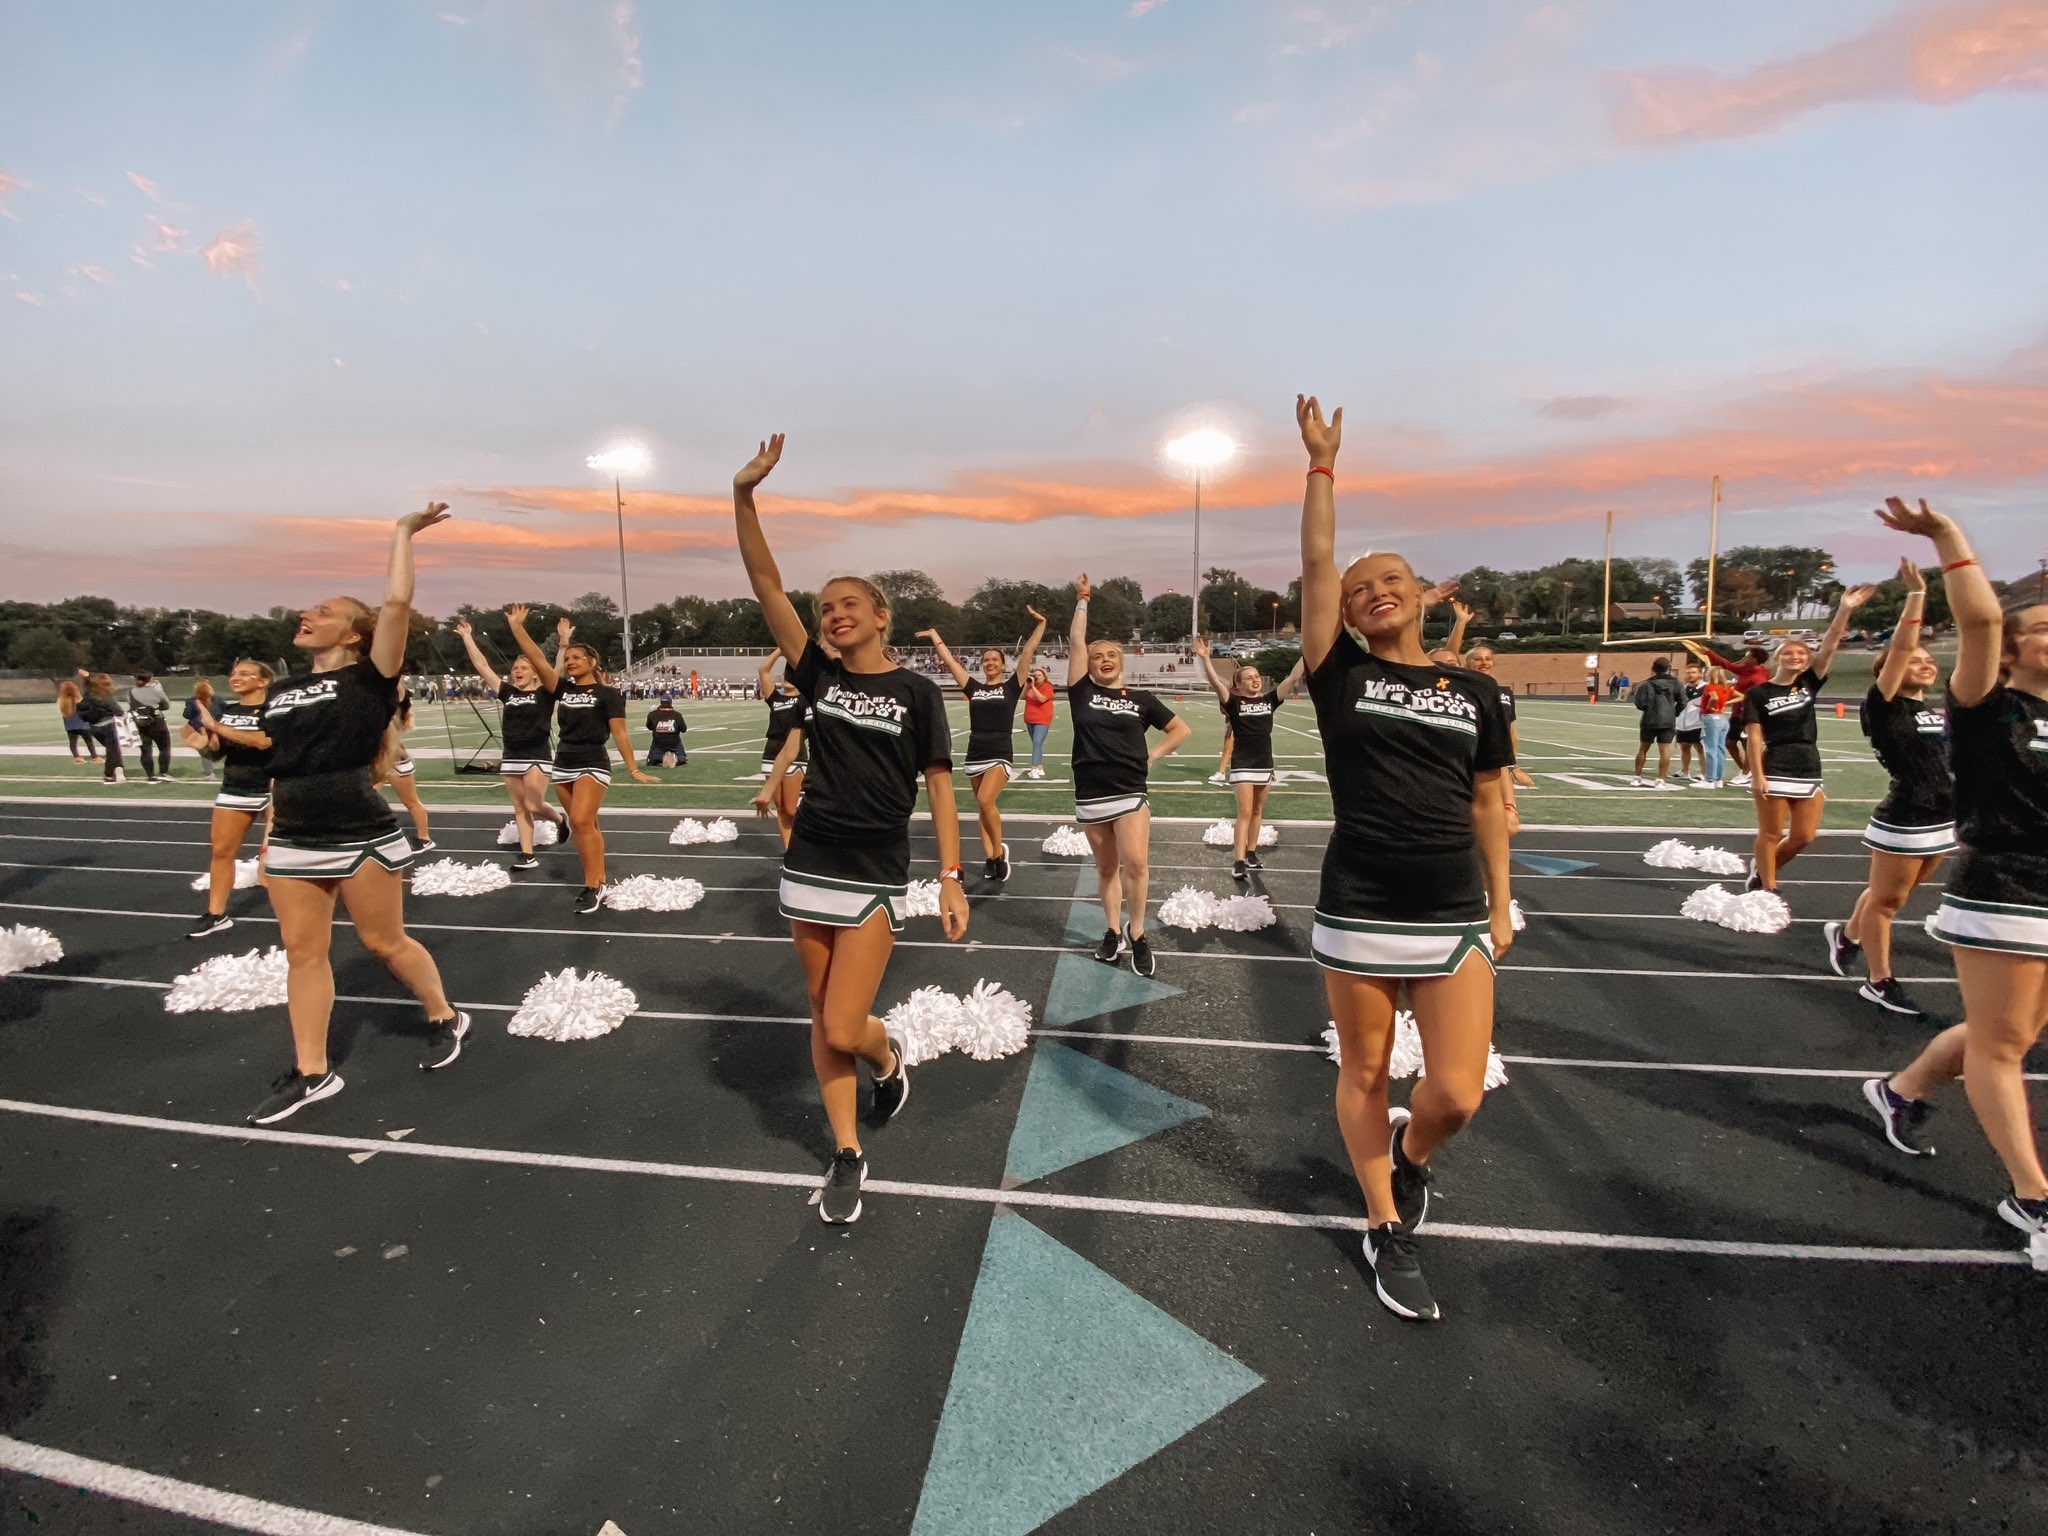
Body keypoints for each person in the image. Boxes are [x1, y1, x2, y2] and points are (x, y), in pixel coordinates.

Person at [1295, 394, 1516, 1324]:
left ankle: (1412, 1157)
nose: (1372, 590)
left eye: (1391, 579)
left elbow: (1489, 801)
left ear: (1424, 594)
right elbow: (1313, 562)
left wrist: (1502, 902)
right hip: (1361, 899)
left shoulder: (1474, 690)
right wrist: (1321, 468)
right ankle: (1384, 1222)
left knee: (1456, 1093)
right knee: (1366, 1071)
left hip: (1453, 903)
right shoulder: (1339, 672)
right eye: (1358, 587)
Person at [733, 433, 968, 1224]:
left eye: (847, 605)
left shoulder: (917, 691)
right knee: (816, 1007)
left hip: (874, 869)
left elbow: (939, 786)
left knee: (844, 1020)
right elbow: (764, 579)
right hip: (810, 861)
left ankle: (889, 1054)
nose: (833, 615)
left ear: (880, 616)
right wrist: (745, 496)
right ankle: (846, 1151)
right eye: (825, 607)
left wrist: (952, 875)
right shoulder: (816, 672)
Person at [207, 506, 471, 1124]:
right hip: (295, 831)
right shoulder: (278, 691)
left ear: (354, 634)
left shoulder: (371, 677)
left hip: (359, 830)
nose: (308, 615)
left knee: (383, 942)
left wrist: (402, 534)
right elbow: (283, 760)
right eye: (309, 609)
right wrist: (271, 833)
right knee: (303, 955)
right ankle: (312, 1072)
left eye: (324, 612)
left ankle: (445, 1013)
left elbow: (398, 605)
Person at [1861, 498, 2048, 1257]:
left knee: (2011, 1032)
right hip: (2005, 885)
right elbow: (1978, 622)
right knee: (2004, 1047)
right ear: (2011, 648)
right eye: (2042, 627)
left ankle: (1898, 1091)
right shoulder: (1987, 706)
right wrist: (1947, 540)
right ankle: (2033, 1199)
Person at [1826, 557, 1954, 1017]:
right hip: (1906, 816)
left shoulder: (1937, 709)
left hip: (1944, 816)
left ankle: (1846, 934)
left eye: (1928, 660)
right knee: (1887, 902)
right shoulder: (1883, 706)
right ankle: (1879, 981)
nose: (1923, 663)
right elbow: (1900, 650)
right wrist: (1916, 596)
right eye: (1912, 660)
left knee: (1893, 895)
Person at [1067, 573, 1191, 978]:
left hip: (1130, 790)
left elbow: (1180, 729)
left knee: (1135, 864)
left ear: (1122, 663)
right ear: (1089, 664)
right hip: (1090, 793)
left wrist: (1152, 756)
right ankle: (1111, 931)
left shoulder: (1141, 699)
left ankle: (1137, 933)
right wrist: (1083, 600)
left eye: (1112, 655)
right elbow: (1075, 643)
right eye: (1098, 655)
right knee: (1105, 870)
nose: (1104, 659)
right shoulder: (1081, 692)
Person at [507, 609, 654, 914]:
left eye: (577, 658)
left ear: (592, 662)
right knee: (586, 824)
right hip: (563, 762)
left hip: (593, 761)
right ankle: (598, 876)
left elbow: (620, 734)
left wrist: (634, 768)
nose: (571, 662)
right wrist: (518, 629)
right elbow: (537, 659)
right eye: (568, 658)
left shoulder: (608, 694)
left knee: (581, 821)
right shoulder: (562, 689)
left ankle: (593, 886)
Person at [1741, 586, 1875, 893]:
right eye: (1788, 652)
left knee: (1804, 836)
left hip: (1808, 764)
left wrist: (1845, 608)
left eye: (1801, 653)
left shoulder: (1808, 685)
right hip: (1776, 763)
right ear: (1777, 658)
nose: (1795, 656)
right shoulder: (1758, 694)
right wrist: (1756, 775)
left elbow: (1828, 646)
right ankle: (1767, 886)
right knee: (1771, 832)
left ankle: (1762, 867)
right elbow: (1754, 737)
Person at [918, 608, 1047, 882]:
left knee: (986, 799)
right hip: (976, 752)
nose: (989, 663)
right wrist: (934, 636)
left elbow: (1027, 652)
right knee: (982, 807)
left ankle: (999, 853)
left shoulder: (1012, 686)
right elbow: (950, 662)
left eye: (994, 659)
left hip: (1000, 753)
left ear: (1002, 664)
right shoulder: (974, 688)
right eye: (985, 659)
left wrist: (1042, 625)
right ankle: (989, 856)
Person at [454, 614, 565, 872]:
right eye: (515, 668)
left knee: (533, 804)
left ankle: (559, 819)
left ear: (536, 673)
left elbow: (557, 670)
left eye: (523, 668)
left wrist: (563, 642)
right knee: (519, 807)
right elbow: (483, 667)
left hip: (537, 753)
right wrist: (468, 638)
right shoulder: (509, 693)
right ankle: (528, 855)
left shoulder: (545, 692)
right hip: (512, 754)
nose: (517, 671)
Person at [1194, 637, 1304, 879]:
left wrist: (1309, 653)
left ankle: (1252, 853)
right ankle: (1239, 860)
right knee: (1244, 812)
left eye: (1256, 676)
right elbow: (1215, 683)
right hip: (1243, 764)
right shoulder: (1234, 702)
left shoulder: (1269, 700)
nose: (1255, 680)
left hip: (1264, 763)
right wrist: (1205, 659)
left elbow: (1293, 678)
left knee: (1257, 811)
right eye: (1248, 678)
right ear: (1239, 684)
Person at [186, 660, 275, 938]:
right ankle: (216, 914)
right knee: (222, 852)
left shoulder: (275, 709)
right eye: (234, 673)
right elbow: (218, 753)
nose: (236, 678)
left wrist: (217, 727)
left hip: (278, 786)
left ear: (263, 681)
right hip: (237, 787)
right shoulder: (228, 711)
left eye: (245, 674)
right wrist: (203, 745)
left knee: (284, 856)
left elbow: (264, 741)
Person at [1461, 644, 1536, 835]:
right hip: (1465, 760)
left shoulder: (1503, 693)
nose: (1484, 662)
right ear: (1467, 663)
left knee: (1499, 817)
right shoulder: (1460, 688)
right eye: (1478, 658)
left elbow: (1510, 732)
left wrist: (1514, 767)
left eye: (1488, 658)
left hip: (1492, 762)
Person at [1685, 641, 1771, 785]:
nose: (1744, 658)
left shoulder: (1758, 677)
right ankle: (1745, 770)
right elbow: (1728, 665)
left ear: (1754, 660)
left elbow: (1756, 698)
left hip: (1748, 714)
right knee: (1729, 742)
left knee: (1749, 744)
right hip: (1737, 713)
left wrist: (1723, 704)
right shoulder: (1746, 670)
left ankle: (1749, 773)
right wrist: (1708, 652)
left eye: (1748, 656)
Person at [378, 683, 433, 850]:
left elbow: (399, 689)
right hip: (375, 759)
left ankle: (424, 838)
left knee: (410, 801)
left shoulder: (387, 706)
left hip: (395, 758)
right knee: (365, 796)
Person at [1629, 659, 1686, 789]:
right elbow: (1683, 702)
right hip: (1667, 720)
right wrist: (1673, 713)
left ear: (1653, 668)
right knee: (1665, 749)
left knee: (1643, 748)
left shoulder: (1646, 684)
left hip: (1649, 719)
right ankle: (1661, 779)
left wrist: (1648, 709)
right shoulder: (1676, 684)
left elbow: (1639, 703)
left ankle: (1637, 777)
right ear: (1668, 668)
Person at [74, 673, 126, 784]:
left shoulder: (88, 694)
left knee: (113, 750)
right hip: (108, 726)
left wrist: (87, 678)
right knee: (113, 750)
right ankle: (111, 773)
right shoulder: (106, 696)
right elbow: (118, 711)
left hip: (94, 728)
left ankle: (116, 770)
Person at [129, 671, 174, 781]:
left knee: (145, 750)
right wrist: (159, 688)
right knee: (164, 748)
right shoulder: (156, 690)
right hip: (157, 722)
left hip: (140, 723)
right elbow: (166, 705)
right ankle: (163, 772)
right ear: (150, 679)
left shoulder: (132, 691)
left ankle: (150, 775)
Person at [1697, 667, 1738, 787]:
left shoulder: (1710, 687)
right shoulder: (1726, 687)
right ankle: (1718, 779)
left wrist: (1710, 706)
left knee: (1710, 749)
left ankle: (1710, 779)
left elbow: (1714, 697)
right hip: (1722, 718)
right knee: (1720, 749)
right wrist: (1725, 703)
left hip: (1711, 718)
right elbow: (1742, 696)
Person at [181, 679, 219, 780]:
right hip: (216, 728)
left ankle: (209, 773)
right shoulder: (218, 700)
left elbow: (187, 715)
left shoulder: (191, 701)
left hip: (201, 729)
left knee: (205, 751)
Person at [1674, 661, 1706, 782]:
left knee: (1700, 749)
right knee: (1684, 747)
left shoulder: (1706, 688)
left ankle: (1704, 772)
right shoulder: (1683, 688)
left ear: (1700, 674)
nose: (1690, 675)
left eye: (1693, 672)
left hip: (1698, 723)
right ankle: (1684, 771)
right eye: (1688, 673)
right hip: (1682, 724)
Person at [1022, 667, 1055, 778]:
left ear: (1044, 677)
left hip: (1042, 719)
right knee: (1037, 744)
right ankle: (1039, 767)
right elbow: (1022, 697)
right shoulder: (1031, 686)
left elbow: (1041, 699)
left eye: (1039, 675)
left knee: (1037, 741)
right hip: (1030, 719)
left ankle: (1034, 767)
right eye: (1034, 675)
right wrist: (1027, 685)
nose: (1036, 677)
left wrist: (1033, 687)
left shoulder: (1047, 687)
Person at [55, 679, 97, 764]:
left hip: (70, 725)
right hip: (83, 724)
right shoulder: (79, 699)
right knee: (89, 741)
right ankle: (94, 757)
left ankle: (77, 757)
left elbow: (64, 714)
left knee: (73, 742)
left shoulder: (62, 701)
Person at [645, 693, 687, 767]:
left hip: (658, 743)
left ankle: (660, 758)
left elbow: (649, 727)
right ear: (670, 703)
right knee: (683, 759)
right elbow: (684, 729)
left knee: (651, 761)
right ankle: (676, 759)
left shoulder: (652, 714)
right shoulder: (677, 715)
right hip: (674, 743)